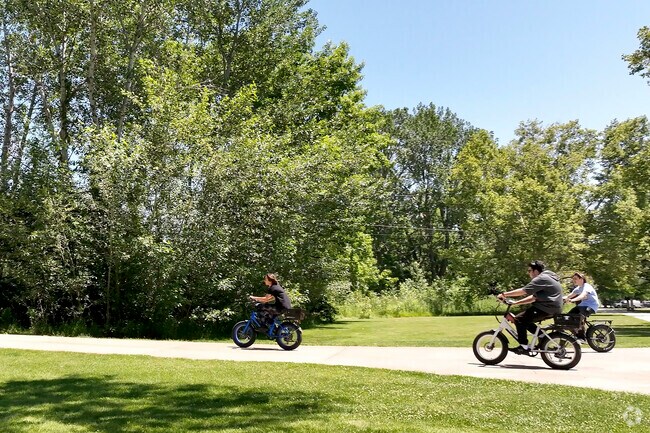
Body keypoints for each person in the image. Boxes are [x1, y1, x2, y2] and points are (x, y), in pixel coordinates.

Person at [497, 260, 563, 354]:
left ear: (535, 271)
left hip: (546, 307)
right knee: (526, 320)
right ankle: (542, 337)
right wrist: (516, 303)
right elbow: (533, 297)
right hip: (552, 307)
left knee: (519, 319)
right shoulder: (547, 278)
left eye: (529, 270)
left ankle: (523, 346)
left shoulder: (541, 278)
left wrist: (504, 294)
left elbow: (524, 291)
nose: (528, 273)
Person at [564, 272, 600, 339]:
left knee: (578, 319)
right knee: (567, 318)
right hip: (582, 306)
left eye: (575, 279)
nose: (573, 280)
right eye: (573, 279)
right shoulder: (578, 288)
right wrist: (560, 299)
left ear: (582, 279)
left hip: (591, 306)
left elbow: (582, 296)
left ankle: (582, 337)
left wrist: (572, 300)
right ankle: (578, 335)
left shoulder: (587, 286)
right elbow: (569, 296)